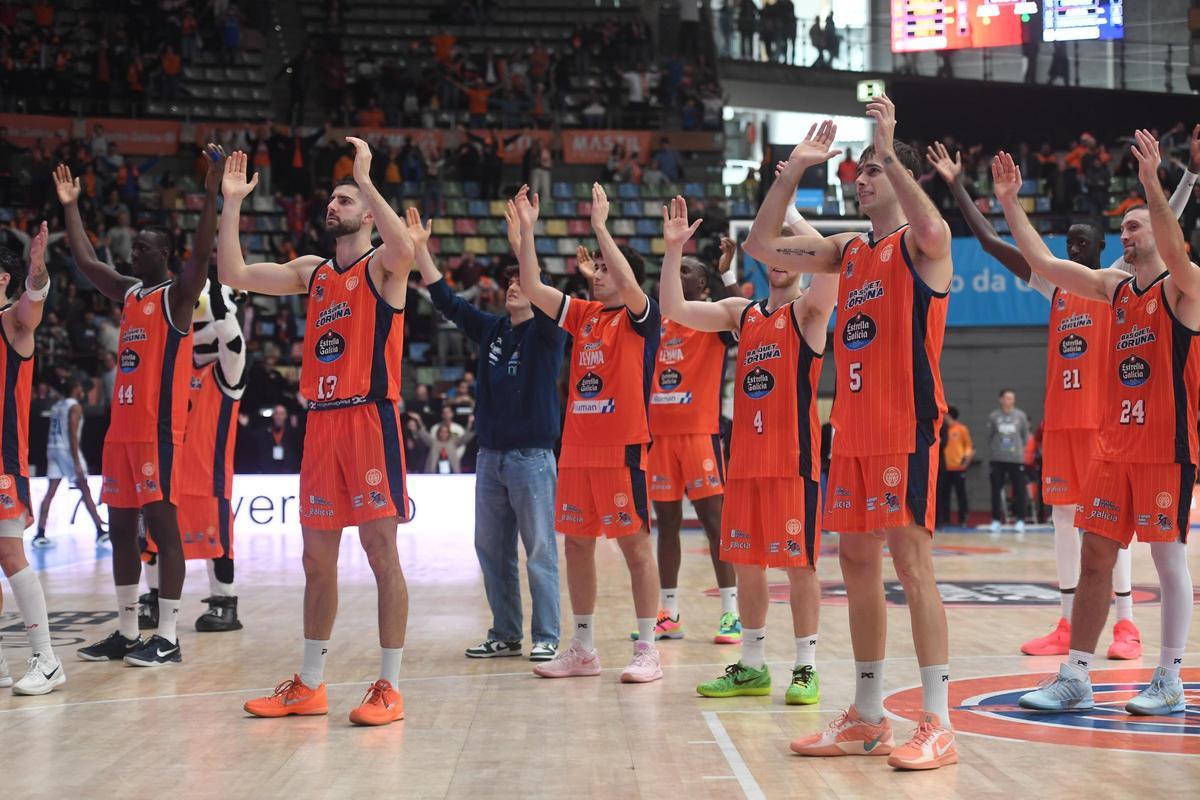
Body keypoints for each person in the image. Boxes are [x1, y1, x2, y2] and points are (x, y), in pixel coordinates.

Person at [926, 139, 1200, 657]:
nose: (1073, 247)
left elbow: (1166, 234)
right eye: (1068, 242)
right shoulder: (1081, 289)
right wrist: (989, 195)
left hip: (1136, 432)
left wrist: (1171, 180)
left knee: (1150, 551)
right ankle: (1072, 640)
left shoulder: (1149, 285)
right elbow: (1026, 255)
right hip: (1086, 433)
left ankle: (1140, 640)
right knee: (1080, 535)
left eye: (1083, 242)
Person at [748, 98, 957, 769]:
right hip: (853, 433)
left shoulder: (923, 246)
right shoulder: (847, 251)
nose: (861, 179)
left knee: (912, 567)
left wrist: (891, 150)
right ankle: (868, 717)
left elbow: (933, 226)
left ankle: (939, 721)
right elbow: (760, 245)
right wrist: (793, 172)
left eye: (871, 171)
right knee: (857, 565)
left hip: (908, 430)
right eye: (858, 171)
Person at [998, 132, 1196, 716]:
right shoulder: (1113, 290)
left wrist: (1154, 185)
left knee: (1167, 560)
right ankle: (1075, 675)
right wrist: (1011, 202)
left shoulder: (1185, 288)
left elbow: (1178, 251)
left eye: (1135, 226)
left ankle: (1168, 678)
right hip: (1114, 449)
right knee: (1094, 558)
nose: (1127, 234)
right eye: (1127, 228)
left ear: (1157, 233)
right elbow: (1045, 264)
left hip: (1167, 445)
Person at [219, 141, 415, 726]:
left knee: (381, 554)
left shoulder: (383, 265)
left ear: (366, 211)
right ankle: (309, 682)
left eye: (345, 198)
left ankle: (390, 686)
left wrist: (366, 179)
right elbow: (233, 272)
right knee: (315, 560)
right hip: (323, 423)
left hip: (370, 419)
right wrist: (231, 204)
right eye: (332, 197)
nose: (334, 203)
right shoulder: (314, 272)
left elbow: (407, 247)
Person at [680, 124, 840, 707]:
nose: (781, 262)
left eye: (790, 257)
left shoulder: (809, 314)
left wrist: (794, 213)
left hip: (792, 460)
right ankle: (751, 665)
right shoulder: (741, 314)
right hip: (743, 460)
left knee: (798, 566)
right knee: (747, 564)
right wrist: (675, 249)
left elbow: (834, 264)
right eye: (774, 256)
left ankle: (804, 666)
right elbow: (674, 306)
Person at [59, 146, 222, 669]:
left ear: (164, 255)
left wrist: (213, 188)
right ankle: (129, 630)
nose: (134, 253)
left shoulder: (178, 295)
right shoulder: (130, 293)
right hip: (121, 434)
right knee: (121, 530)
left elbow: (201, 254)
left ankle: (169, 637)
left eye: (145, 248)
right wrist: (70, 206)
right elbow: (86, 263)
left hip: (159, 432)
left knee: (163, 529)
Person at [513, 183, 664, 684]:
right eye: (595, 268)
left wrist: (602, 228)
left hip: (621, 450)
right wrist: (528, 234)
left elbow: (628, 284)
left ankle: (648, 648)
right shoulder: (584, 316)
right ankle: (582, 647)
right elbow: (533, 288)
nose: (598, 274)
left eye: (606, 269)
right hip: (576, 449)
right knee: (576, 546)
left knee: (635, 548)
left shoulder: (642, 318)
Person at [410, 205, 565, 662]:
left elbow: (536, 282)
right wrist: (421, 251)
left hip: (533, 457)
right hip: (490, 457)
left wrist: (526, 236)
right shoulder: (493, 329)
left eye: (523, 281)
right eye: (510, 281)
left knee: (538, 551)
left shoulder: (548, 332)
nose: (515, 286)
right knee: (491, 551)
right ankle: (505, 632)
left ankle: (547, 635)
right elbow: (447, 302)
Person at [644, 236, 739, 645]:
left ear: (703, 286)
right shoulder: (655, 323)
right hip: (659, 438)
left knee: (714, 526)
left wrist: (728, 274)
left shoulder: (714, 320)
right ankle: (669, 613)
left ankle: (731, 615)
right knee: (665, 527)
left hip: (700, 435)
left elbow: (747, 317)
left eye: (686, 270)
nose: (677, 273)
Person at [145, 276, 247, 632]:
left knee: (218, 545)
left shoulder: (227, 374)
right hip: (168, 477)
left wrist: (218, 297)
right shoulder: (175, 371)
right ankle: (152, 600)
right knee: (153, 542)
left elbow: (232, 342)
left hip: (209, 479)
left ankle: (225, 602)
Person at [0, 228, 66, 695]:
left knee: (9, 554)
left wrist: (36, 273)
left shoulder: (11, 322)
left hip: (4, 461)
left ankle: (46, 659)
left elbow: (32, 306)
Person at [34, 377, 107, 548]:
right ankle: (100, 531)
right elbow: (72, 432)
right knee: (85, 489)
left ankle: (40, 533)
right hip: (67, 451)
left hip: (52, 448)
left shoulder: (56, 406)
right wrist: (76, 461)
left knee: (50, 492)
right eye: (80, 387)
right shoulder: (74, 406)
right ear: (75, 388)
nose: (83, 391)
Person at [987, 389, 1031, 532]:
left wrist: (1018, 450)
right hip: (997, 459)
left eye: (1012, 398)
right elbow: (990, 436)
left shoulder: (1020, 416)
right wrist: (996, 449)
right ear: (1001, 399)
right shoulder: (994, 416)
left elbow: (1025, 436)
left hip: (1016, 459)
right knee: (996, 490)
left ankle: (1020, 520)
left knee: (1019, 490)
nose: (1009, 401)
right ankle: (996, 521)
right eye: (1007, 398)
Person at [938, 406, 972, 527]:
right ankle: (945, 519)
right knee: (944, 495)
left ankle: (963, 519)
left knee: (961, 494)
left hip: (958, 468)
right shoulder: (942, 429)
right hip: (945, 468)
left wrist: (966, 461)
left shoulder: (961, 429)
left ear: (948, 415)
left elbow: (968, 446)